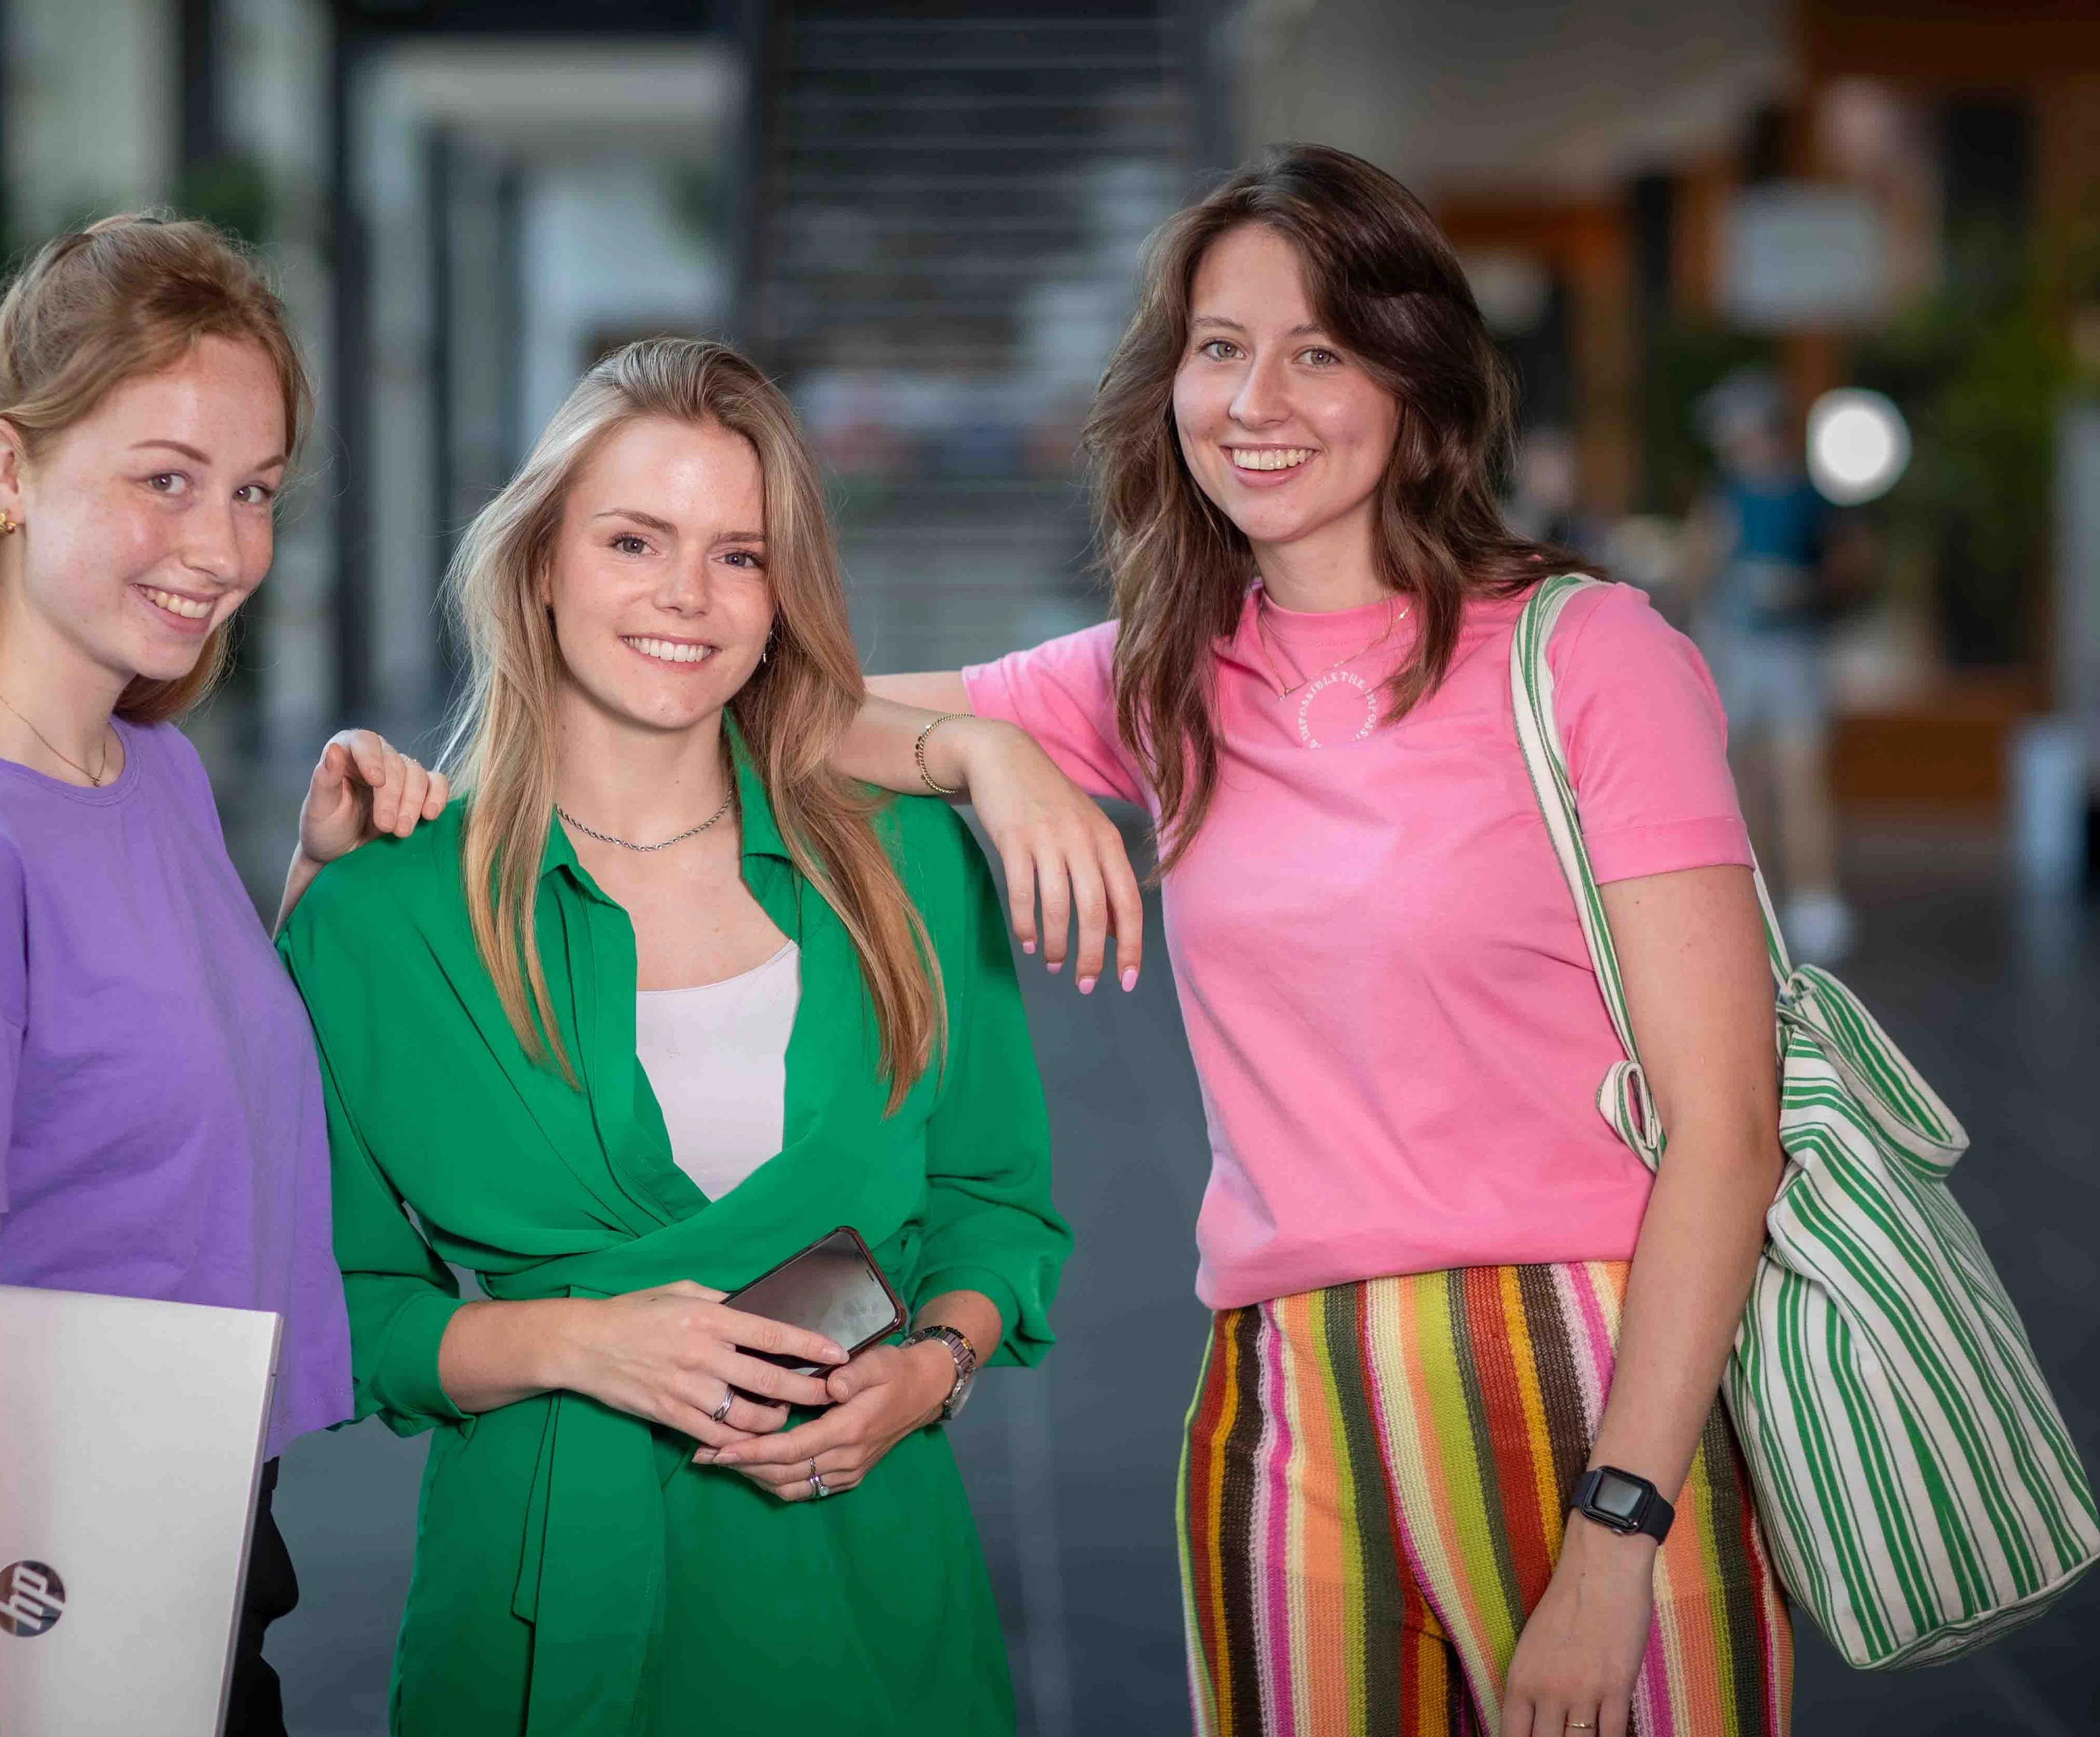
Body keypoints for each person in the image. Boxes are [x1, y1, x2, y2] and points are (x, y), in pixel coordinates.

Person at [836, 146, 1795, 1736]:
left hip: (1584, 1383)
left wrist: (1621, 1526)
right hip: (1280, 1394)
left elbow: (1728, 1127)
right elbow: (795, 717)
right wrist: (976, 753)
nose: (1256, 397)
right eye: (1219, 346)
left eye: (1319, 348)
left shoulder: (1592, 657)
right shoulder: (1164, 672)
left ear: (1413, 379)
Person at [276, 337, 1069, 1736]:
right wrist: (578, 1342)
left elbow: (993, 1206)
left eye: (740, 556)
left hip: (871, 1585)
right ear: (539, 563)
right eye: (634, 538)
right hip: (544, 1617)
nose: (685, 598)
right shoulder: (377, 917)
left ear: (781, 598)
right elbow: (341, 1305)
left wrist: (929, 1369)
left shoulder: (912, 867)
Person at [0, 214, 445, 1737]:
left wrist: (313, 882)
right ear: (9, 473)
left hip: (193, 1538)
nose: (221, 548)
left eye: (255, 490)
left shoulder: (147, 770)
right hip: (24, 1586)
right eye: (165, 478)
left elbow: (150, 1092)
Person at [1682, 369, 1857, 963]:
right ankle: (1763, 901)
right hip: (1737, 647)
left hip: (1792, 650)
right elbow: (1697, 566)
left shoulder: (1806, 496)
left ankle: (1816, 900)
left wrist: (1804, 590)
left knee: (1801, 776)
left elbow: (1846, 568)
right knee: (1747, 778)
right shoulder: (1725, 495)